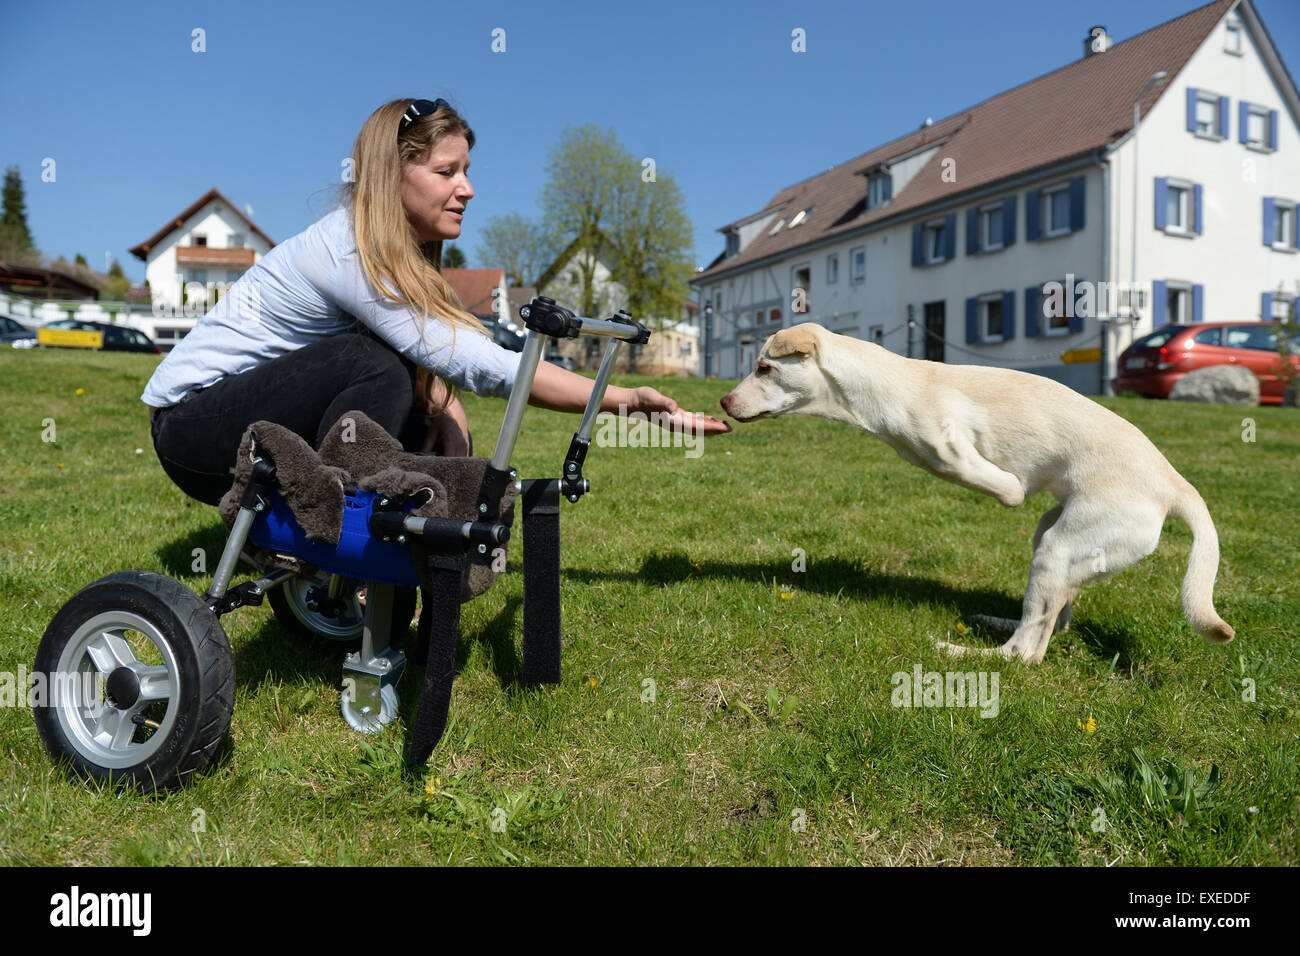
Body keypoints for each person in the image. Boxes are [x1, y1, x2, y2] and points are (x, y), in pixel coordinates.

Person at [143, 97, 729, 506]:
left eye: (467, 170)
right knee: (368, 365)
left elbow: (444, 354)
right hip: (191, 429)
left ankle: (360, 535)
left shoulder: (396, 252)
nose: (467, 188)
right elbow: (475, 360)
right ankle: (343, 539)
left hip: (234, 418)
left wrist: (444, 410)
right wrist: (623, 401)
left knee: (421, 402)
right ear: (392, 175)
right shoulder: (347, 249)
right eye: (447, 171)